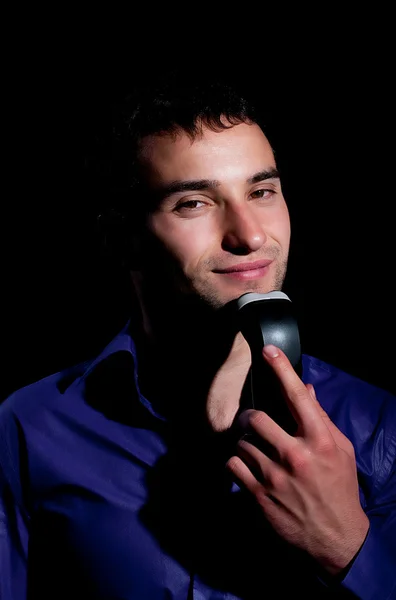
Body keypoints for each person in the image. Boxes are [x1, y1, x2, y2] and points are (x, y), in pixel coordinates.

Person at [1, 75, 395, 600]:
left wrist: (346, 545)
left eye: (261, 192)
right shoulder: (29, 428)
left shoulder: (377, 424)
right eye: (194, 203)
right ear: (122, 237)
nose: (251, 235)